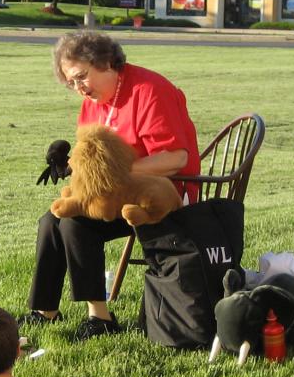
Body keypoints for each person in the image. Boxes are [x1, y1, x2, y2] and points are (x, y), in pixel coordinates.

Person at [25, 31, 200, 340]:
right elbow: (93, 154)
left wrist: (111, 172)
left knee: (74, 223)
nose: (79, 88)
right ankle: (45, 310)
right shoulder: (93, 103)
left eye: (81, 77)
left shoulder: (149, 90)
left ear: (105, 62)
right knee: (50, 220)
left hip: (161, 196)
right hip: (116, 195)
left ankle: (100, 318)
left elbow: (176, 158)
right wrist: (73, 166)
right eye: (71, 83)